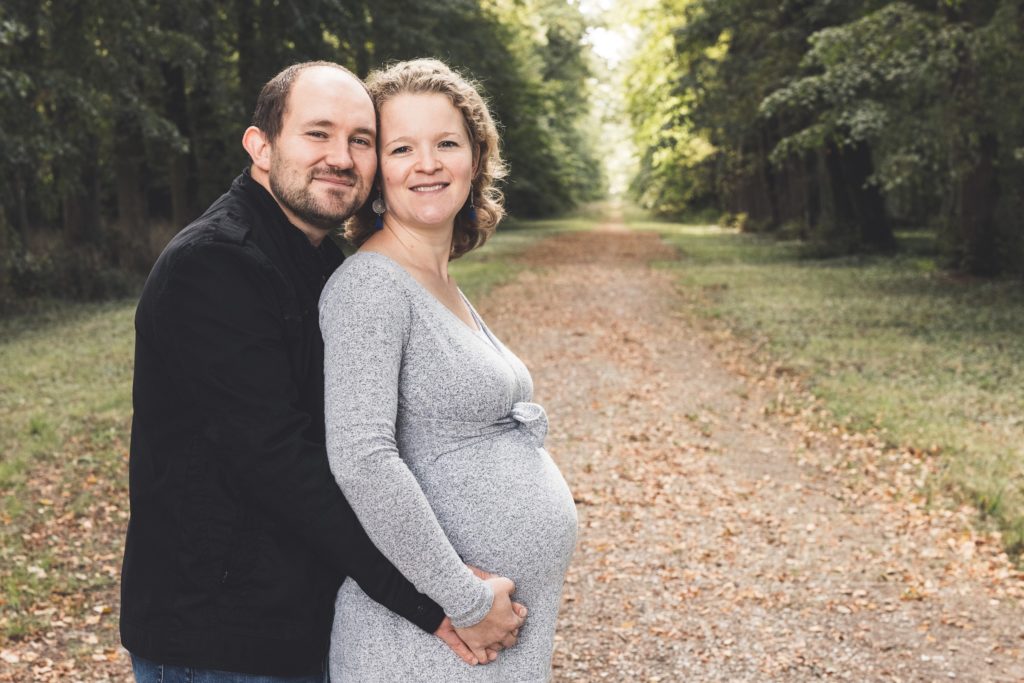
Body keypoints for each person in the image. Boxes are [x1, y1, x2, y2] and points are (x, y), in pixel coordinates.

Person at [119, 60, 522, 682]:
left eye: (360, 140)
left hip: (295, 622)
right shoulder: (215, 265)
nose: (341, 156)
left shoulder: (319, 260)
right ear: (260, 145)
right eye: (317, 133)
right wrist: (434, 603)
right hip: (219, 638)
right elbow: (284, 464)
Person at [320, 58, 579, 682]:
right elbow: (361, 457)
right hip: (426, 644)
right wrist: (463, 598)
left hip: (478, 646)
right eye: (402, 147)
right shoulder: (370, 287)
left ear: (475, 158)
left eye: (446, 144)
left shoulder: (435, 280)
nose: (427, 163)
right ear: (376, 173)